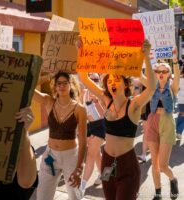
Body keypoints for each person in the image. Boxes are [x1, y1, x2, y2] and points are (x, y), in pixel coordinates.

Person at [78, 39, 156, 200]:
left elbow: (152, 88)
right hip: (107, 163)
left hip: (127, 164)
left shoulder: (134, 105)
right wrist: (82, 52)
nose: (112, 82)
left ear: (125, 85)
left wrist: (146, 57)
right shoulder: (106, 100)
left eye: (116, 80)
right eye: (109, 81)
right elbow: (83, 78)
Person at [34, 71, 87, 200]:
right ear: (55, 86)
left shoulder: (80, 109)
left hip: (71, 157)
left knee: (75, 196)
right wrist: (47, 76)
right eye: (59, 83)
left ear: (71, 85)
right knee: (42, 196)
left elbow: (83, 141)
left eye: (65, 83)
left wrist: (79, 168)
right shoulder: (49, 102)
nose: (62, 86)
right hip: (50, 156)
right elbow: (29, 89)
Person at [144, 50, 180, 200]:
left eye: (165, 71)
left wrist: (175, 60)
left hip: (167, 123)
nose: (161, 73)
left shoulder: (172, 87)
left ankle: (173, 180)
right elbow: (140, 76)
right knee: (154, 162)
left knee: (163, 165)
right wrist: (146, 58)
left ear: (168, 74)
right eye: (158, 70)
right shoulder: (152, 86)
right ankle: (158, 191)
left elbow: (177, 76)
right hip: (152, 121)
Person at [79, 73, 105, 194]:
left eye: (95, 79)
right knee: (96, 153)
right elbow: (81, 109)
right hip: (87, 125)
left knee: (90, 154)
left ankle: (82, 186)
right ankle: (103, 175)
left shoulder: (101, 93)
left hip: (99, 125)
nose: (93, 81)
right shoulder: (83, 92)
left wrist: (97, 102)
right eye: (90, 79)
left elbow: (106, 114)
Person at [176, 67, 184, 140]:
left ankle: (178, 131)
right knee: (182, 115)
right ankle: (178, 131)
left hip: (181, 100)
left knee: (181, 115)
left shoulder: (180, 79)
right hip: (181, 100)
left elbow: (177, 89)